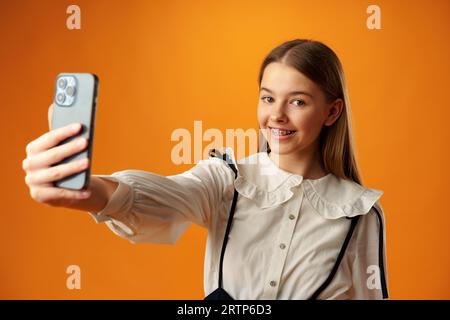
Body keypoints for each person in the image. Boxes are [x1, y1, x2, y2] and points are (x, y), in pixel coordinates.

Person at [22, 39, 388, 300]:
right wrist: (88, 189)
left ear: (331, 112)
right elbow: (160, 196)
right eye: (267, 97)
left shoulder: (360, 213)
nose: (276, 115)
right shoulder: (226, 178)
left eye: (297, 101)